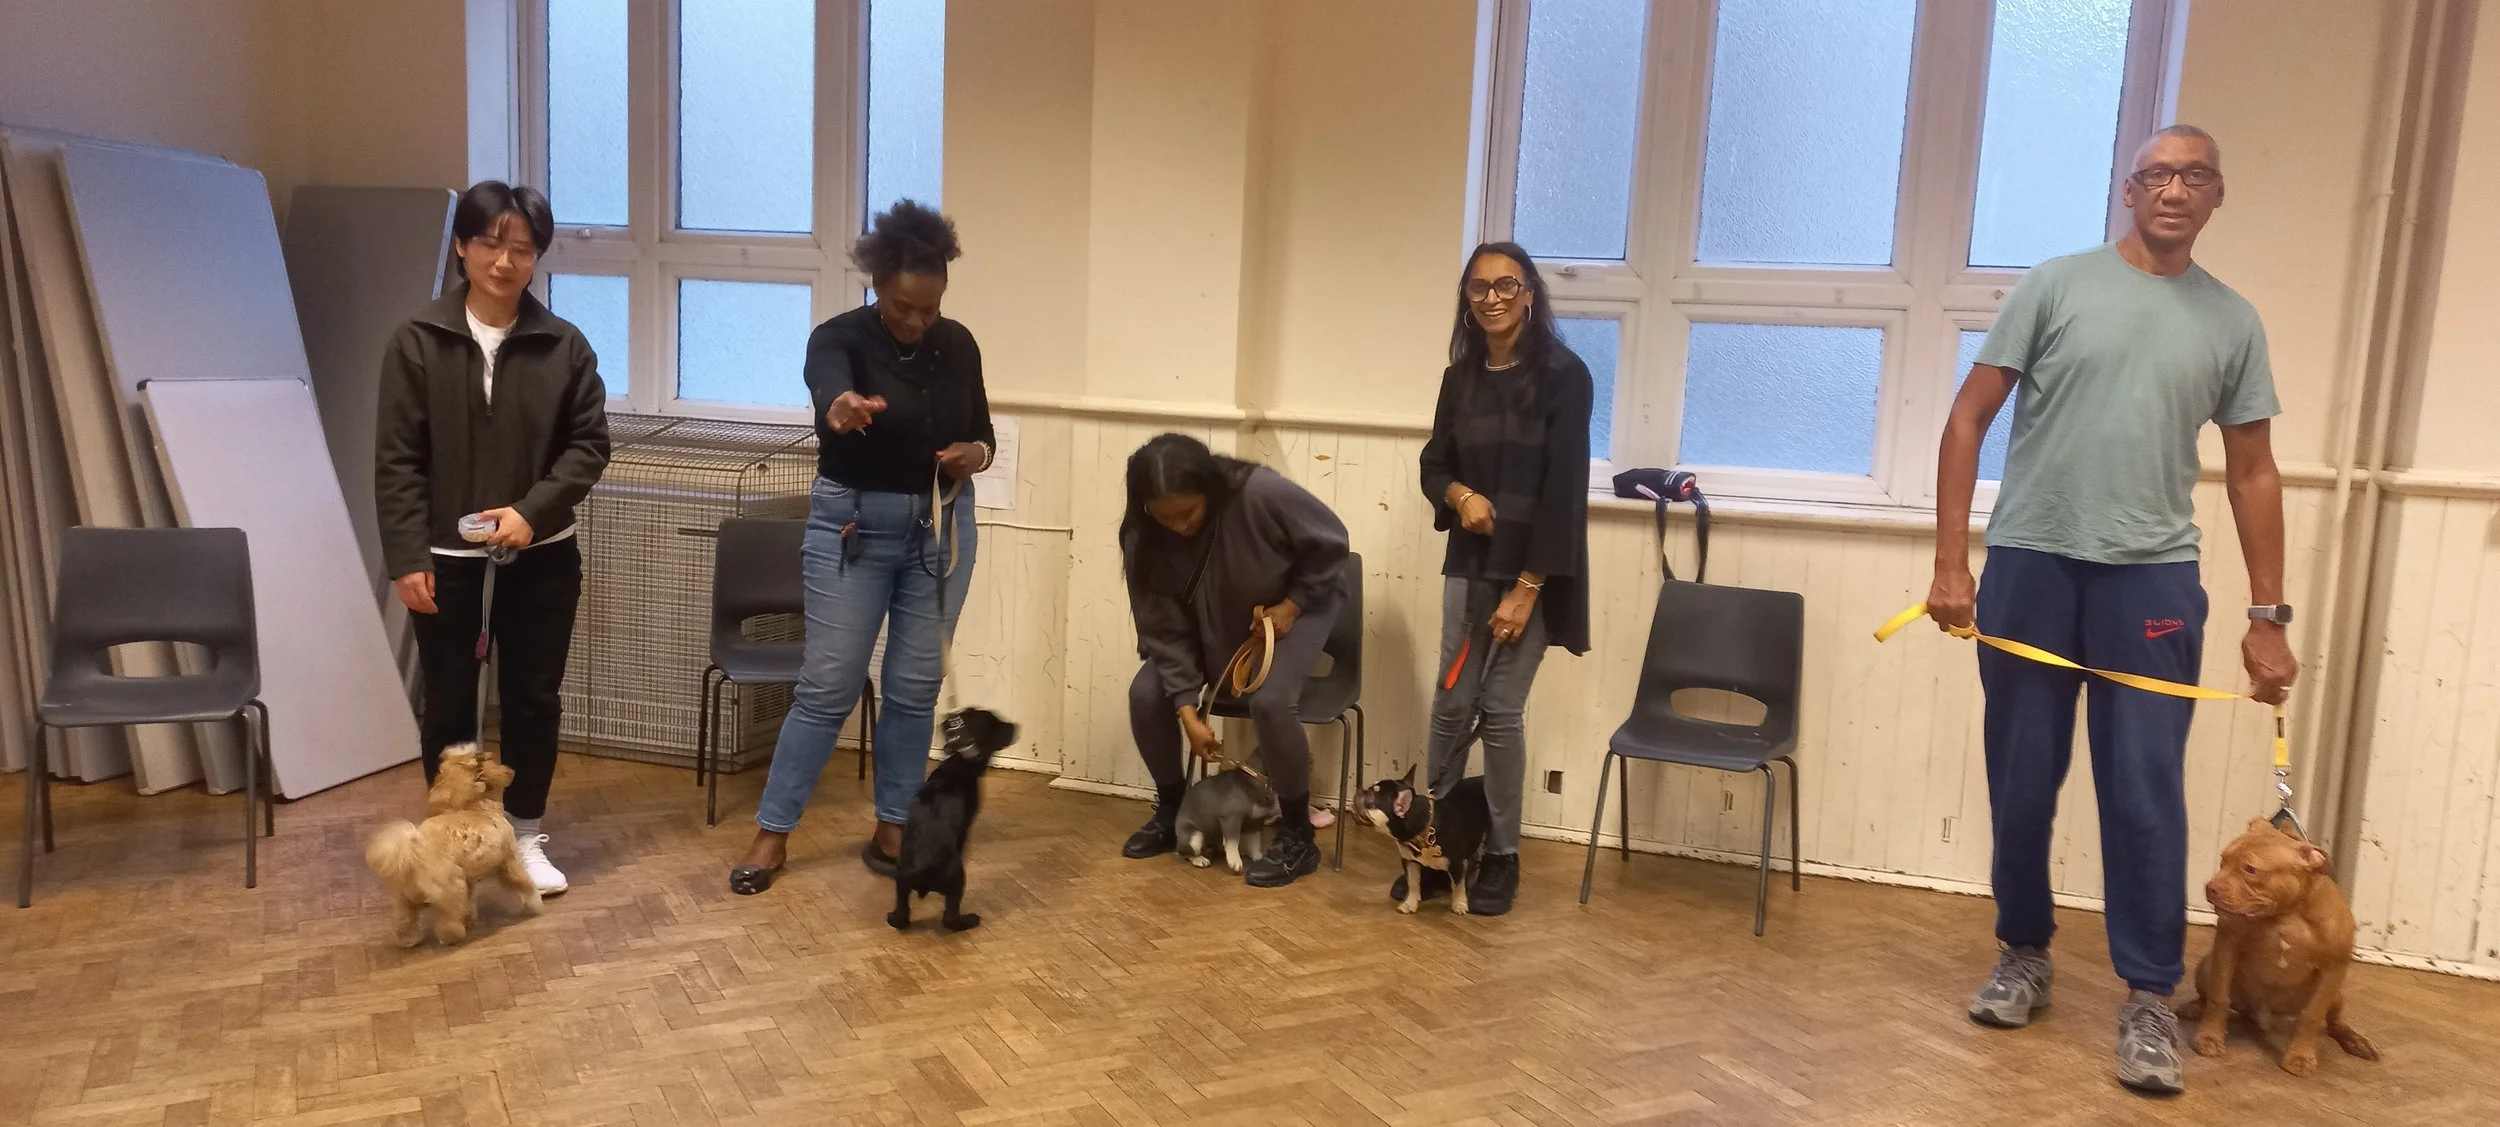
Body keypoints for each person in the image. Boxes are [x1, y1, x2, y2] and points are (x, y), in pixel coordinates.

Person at [1927, 125, 2294, 1095]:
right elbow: (1966, 418)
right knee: (2020, 779)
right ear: (2127, 190)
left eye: (2194, 176)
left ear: (2217, 195)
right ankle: (2022, 953)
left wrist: (2269, 613)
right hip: (2031, 567)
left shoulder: (2231, 321)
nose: (2173, 190)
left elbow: (2252, 470)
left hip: (2151, 581)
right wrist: (1951, 562)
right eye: (2157, 174)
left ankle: (2145, 994)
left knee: (2143, 794)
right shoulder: (2055, 284)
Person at [731, 200, 992, 895]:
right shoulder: (839, 337)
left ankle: (894, 824)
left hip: (940, 528)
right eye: (905, 306)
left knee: (913, 688)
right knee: (828, 685)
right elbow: (829, 387)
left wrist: (975, 452)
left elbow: (984, 434)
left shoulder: (958, 343)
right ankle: (773, 831)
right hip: (854, 526)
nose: (917, 320)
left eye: (930, 308)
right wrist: (840, 407)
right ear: (877, 285)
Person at [375, 180, 611, 897]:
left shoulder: (563, 344)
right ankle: (453, 839)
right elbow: (397, 458)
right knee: (449, 702)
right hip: (446, 562)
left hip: (541, 557)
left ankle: (526, 836)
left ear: (536, 256)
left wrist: (532, 510)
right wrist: (407, 555)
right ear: (462, 246)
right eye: (490, 244)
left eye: (522, 248)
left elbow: (588, 447)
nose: (505, 261)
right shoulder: (418, 340)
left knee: (533, 697)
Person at [1410, 242, 1592, 917]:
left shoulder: (1564, 377)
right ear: (1467, 297)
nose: (1491, 297)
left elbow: (1564, 492)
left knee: (1501, 710)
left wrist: (1528, 587)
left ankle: (1502, 855)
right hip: (1468, 568)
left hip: (1535, 574)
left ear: (1530, 295)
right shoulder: (1459, 379)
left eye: (1506, 284)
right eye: (1478, 286)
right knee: (1452, 703)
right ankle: (1432, 844)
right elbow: (1433, 464)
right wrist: (1458, 494)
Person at [1114, 434, 1350, 888]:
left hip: (1291, 610)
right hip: (1208, 623)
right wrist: (1188, 712)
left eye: (1188, 513)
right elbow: (1163, 629)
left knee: (1271, 702)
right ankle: (1173, 810)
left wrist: (1294, 604)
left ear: (1211, 491)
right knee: (1146, 694)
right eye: (1164, 517)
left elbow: (1331, 542)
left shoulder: (1260, 492)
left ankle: (1298, 832)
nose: (1178, 526)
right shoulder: (1141, 536)